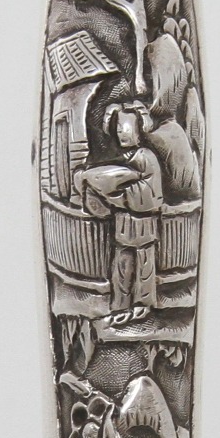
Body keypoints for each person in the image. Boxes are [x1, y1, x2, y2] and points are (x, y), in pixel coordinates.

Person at [74, 102, 163, 325]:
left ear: (138, 131)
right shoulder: (123, 158)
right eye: (119, 129)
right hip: (123, 222)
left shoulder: (145, 157)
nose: (123, 134)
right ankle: (120, 305)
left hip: (143, 222)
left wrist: (115, 193)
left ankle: (142, 304)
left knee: (144, 263)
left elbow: (147, 192)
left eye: (127, 129)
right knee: (122, 264)